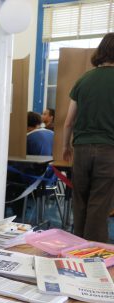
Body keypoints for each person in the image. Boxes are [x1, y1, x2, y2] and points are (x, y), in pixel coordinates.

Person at [62, 33, 114, 243]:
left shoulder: (83, 79)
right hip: (109, 151)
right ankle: (93, 260)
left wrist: (66, 146)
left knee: (80, 203)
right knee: (99, 207)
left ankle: (76, 252)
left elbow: (68, 121)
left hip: (81, 150)